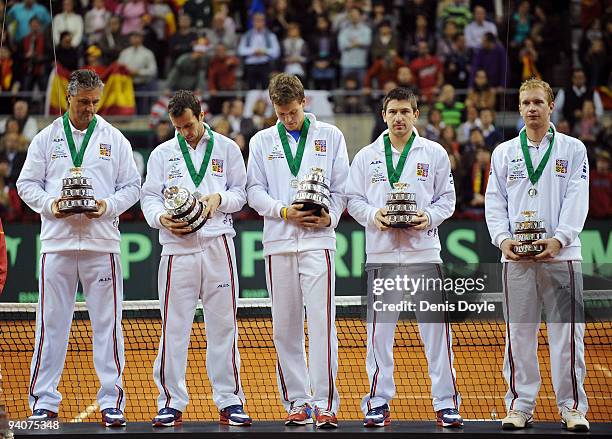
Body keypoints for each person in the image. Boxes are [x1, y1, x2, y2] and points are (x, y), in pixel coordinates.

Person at [16, 69, 141, 426]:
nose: (89, 108)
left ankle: (111, 400)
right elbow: (26, 184)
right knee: (50, 324)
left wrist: (107, 206)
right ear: (68, 98)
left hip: (102, 243)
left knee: (108, 324)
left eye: (94, 102)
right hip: (57, 242)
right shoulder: (46, 138)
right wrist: (50, 205)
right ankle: (43, 400)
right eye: (83, 102)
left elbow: (132, 186)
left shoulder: (114, 139)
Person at [346, 87, 462, 428]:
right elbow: (352, 199)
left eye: (405, 111)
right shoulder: (367, 156)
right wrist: (373, 216)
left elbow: (447, 199)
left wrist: (429, 217)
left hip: (424, 251)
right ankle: (378, 401)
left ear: (416, 115)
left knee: (436, 331)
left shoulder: (435, 153)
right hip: (382, 253)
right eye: (393, 111)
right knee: (379, 333)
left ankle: (445, 402)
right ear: (384, 115)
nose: (399, 117)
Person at [141, 90, 251, 427]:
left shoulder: (228, 148)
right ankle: (171, 401)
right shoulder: (162, 153)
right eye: (178, 127)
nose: (184, 132)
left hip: (218, 244)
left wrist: (218, 198)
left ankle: (229, 400)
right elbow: (148, 197)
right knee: (174, 328)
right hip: (177, 250)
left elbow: (242, 193)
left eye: (189, 125)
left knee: (223, 327)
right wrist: (161, 218)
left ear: (201, 116)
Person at [485, 78, 590, 431]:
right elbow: (494, 202)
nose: (532, 109)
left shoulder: (573, 149)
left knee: (567, 335)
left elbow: (578, 198)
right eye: (526, 103)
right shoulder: (503, 153)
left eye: (538, 103)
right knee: (519, 334)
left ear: (550, 107)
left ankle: (572, 407)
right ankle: (519, 405)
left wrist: (559, 239)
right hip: (516, 258)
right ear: (518, 108)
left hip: (562, 256)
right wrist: (502, 240)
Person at [246, 73, 349, 429]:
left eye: (292, 111)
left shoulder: (331, 136)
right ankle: (297, 402)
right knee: (284, 327)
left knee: (322, 324)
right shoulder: (261, 141)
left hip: (319, 242)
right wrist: (283, 211)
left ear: (304, 102)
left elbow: (341, 187)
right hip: (278, 240)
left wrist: (331, 217)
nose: (287, 118)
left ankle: (325, 403)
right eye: (281, 112)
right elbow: (254, 190)